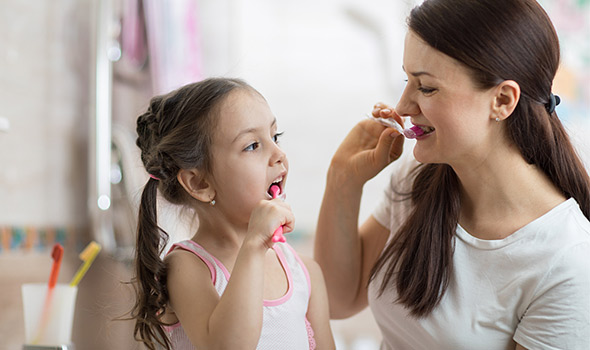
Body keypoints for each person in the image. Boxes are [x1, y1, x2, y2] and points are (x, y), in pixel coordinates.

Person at [314, 0, 590, 349]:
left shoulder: (568, 264)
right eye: (407, 79)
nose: (401, 107)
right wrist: (344, 180)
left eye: (426, 87)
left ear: (502, 100)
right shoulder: (419, 178)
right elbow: (339, 299)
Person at [130, 77, 335, 350]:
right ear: (200, 183)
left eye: (275, 137)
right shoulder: (187, 268)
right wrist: (253, 247)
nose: (278, 154)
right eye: (252, 145)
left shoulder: (305, 274)